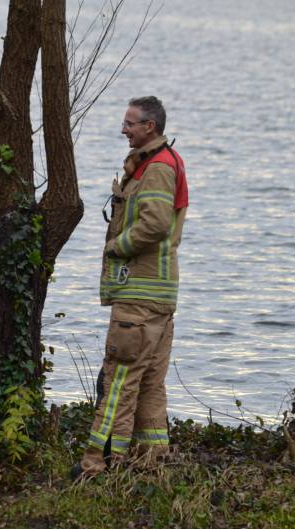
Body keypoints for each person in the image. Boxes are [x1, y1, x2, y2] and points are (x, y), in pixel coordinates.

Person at [73, 96, 188, 477]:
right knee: (150, 384)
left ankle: (99, 464)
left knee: (118, 382)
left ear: (150, 127)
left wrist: (115, 247)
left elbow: (155, 224)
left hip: (139, 296)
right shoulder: (164, 162)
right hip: (159, 296)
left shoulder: (157, 168)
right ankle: (150, 461)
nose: (123, 130)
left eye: (130, 123)